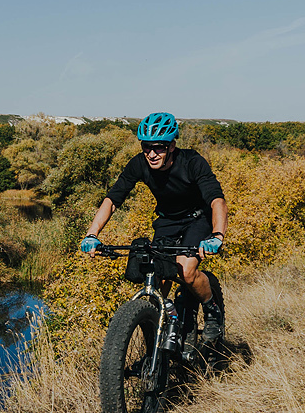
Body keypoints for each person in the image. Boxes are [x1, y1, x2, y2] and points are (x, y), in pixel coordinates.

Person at [78, 111, 228, 342]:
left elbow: (217, 200)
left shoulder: (191, 161)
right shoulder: (139, 164)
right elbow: (112, 199)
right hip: (167, 221)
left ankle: (211, 309)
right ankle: (163, 337)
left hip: (198, 219)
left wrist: (217, 235)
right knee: (158, 278)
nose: (151, 153)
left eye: (158, 147)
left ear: (171, 146)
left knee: (186, 271)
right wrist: (92, 234)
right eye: (146, 147)